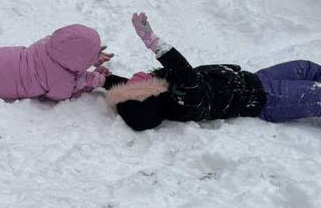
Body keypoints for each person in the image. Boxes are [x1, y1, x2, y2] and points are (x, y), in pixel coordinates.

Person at [106, 12, 321, 131]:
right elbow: (184, 70)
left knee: (306, 67)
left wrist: (100, 78)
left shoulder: (164, 89)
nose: (145, 74)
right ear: (150, 94)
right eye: (142, 81)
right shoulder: (184, 100)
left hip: (257, 79)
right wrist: (153, 43)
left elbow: (123, 88)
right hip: (268, 99)